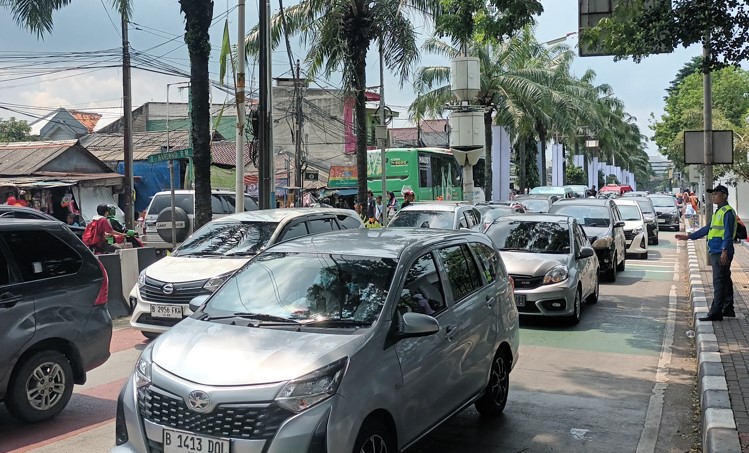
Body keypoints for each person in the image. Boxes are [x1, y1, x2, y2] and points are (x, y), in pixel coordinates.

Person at [675, 185, 737, 320]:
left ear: (724, 196)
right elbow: (707, 228)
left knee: (718, 282)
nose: (713, 196)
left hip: (720, 251)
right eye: (712, 194)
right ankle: (728, 308)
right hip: (717, 250)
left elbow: (727, 233)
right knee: (725, 280)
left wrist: (724, 250)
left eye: (716, 194)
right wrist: (689, 237)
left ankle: (716, 313)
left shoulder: (727, 212)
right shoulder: (718, 212)